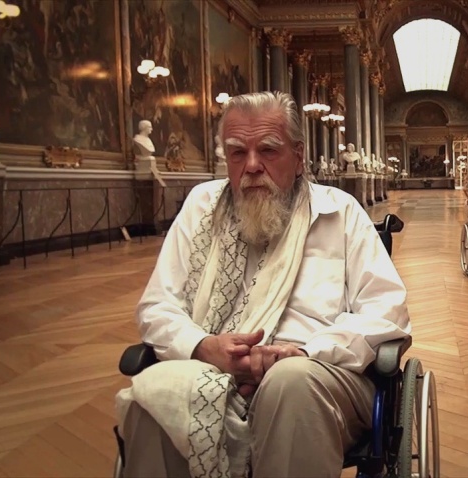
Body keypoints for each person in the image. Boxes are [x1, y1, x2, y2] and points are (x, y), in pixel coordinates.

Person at [115, 91, 411, 478]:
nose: (252, 165)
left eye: (268, 150)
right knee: (155, 395)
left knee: (290, 383)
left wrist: (305, 352)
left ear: (298, 156)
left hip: (319, 373)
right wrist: (202, 346)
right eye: (238, 152)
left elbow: (385, 311)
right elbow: (157, 306)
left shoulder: (339, 212)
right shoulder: (201, 207)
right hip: (210, 366)